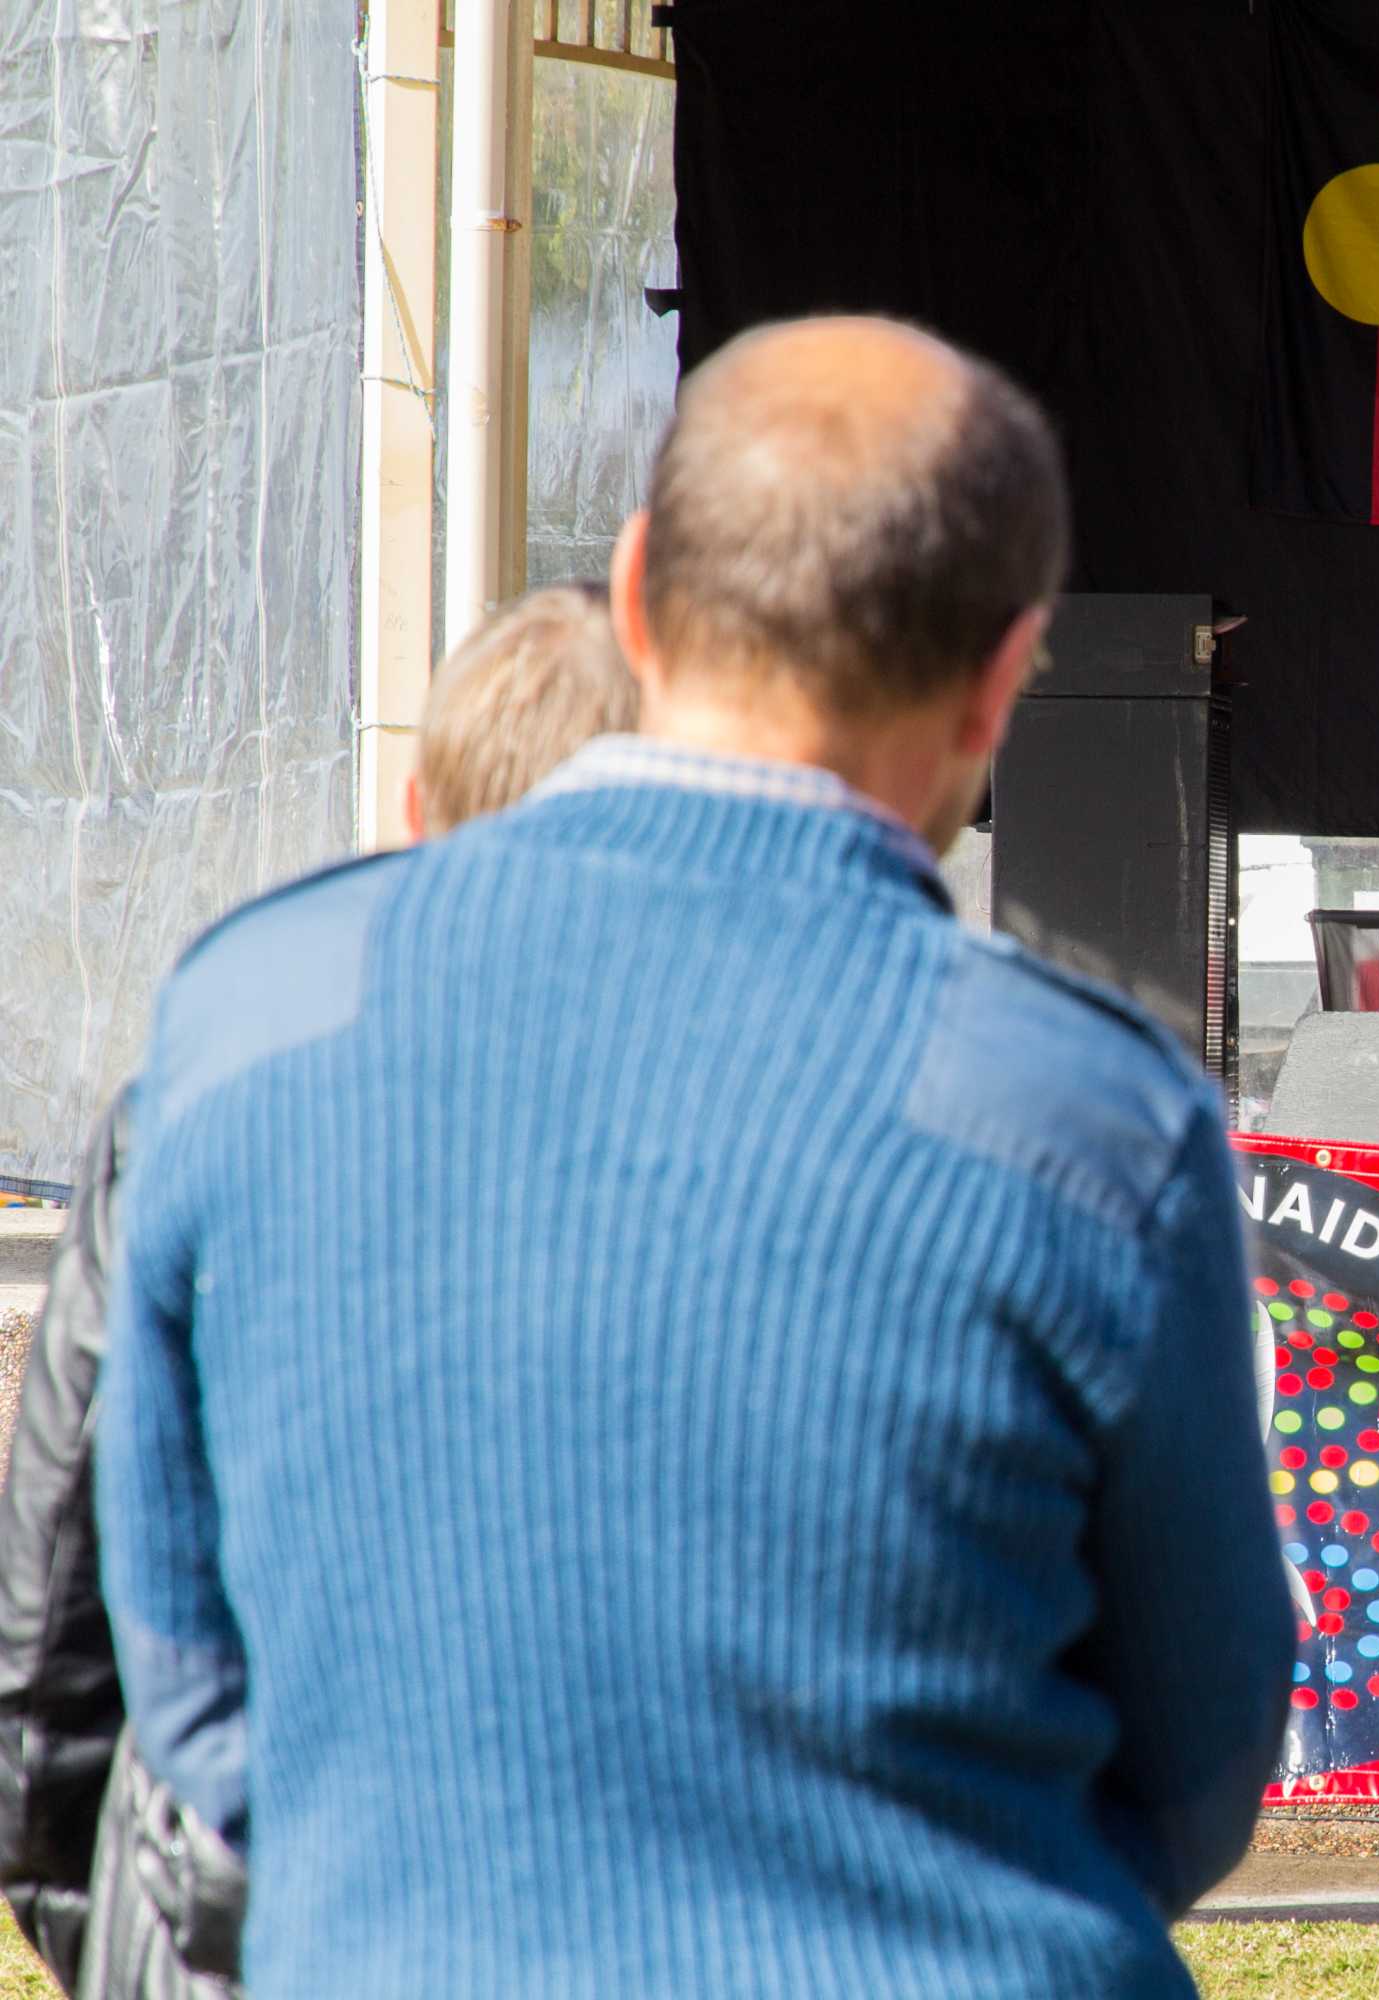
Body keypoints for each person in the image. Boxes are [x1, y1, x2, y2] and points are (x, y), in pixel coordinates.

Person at [97, 316, 1292, 1999]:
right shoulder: (1088, 1121)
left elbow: (185, 1675)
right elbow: (1201, 1749)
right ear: (1007, 677)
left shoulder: (252, 1016)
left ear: (639, 595)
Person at [0, 579, 639, 2000]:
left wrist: (117, 1930)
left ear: (415, 814)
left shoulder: (195, 1109)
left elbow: (53, 1611)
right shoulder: (781, 1132)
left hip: (243, 1904)